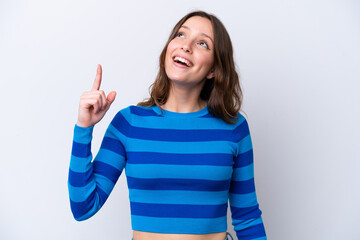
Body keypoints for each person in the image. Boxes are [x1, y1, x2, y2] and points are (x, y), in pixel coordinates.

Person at [68, 10, 267, 240]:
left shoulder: (234, 128)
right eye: (181, 35)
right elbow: (83, 207)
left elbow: (248, 218)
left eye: (202, 43)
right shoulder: (129, 123)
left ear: (214, 69)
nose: (186, 45)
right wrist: (84, 128)